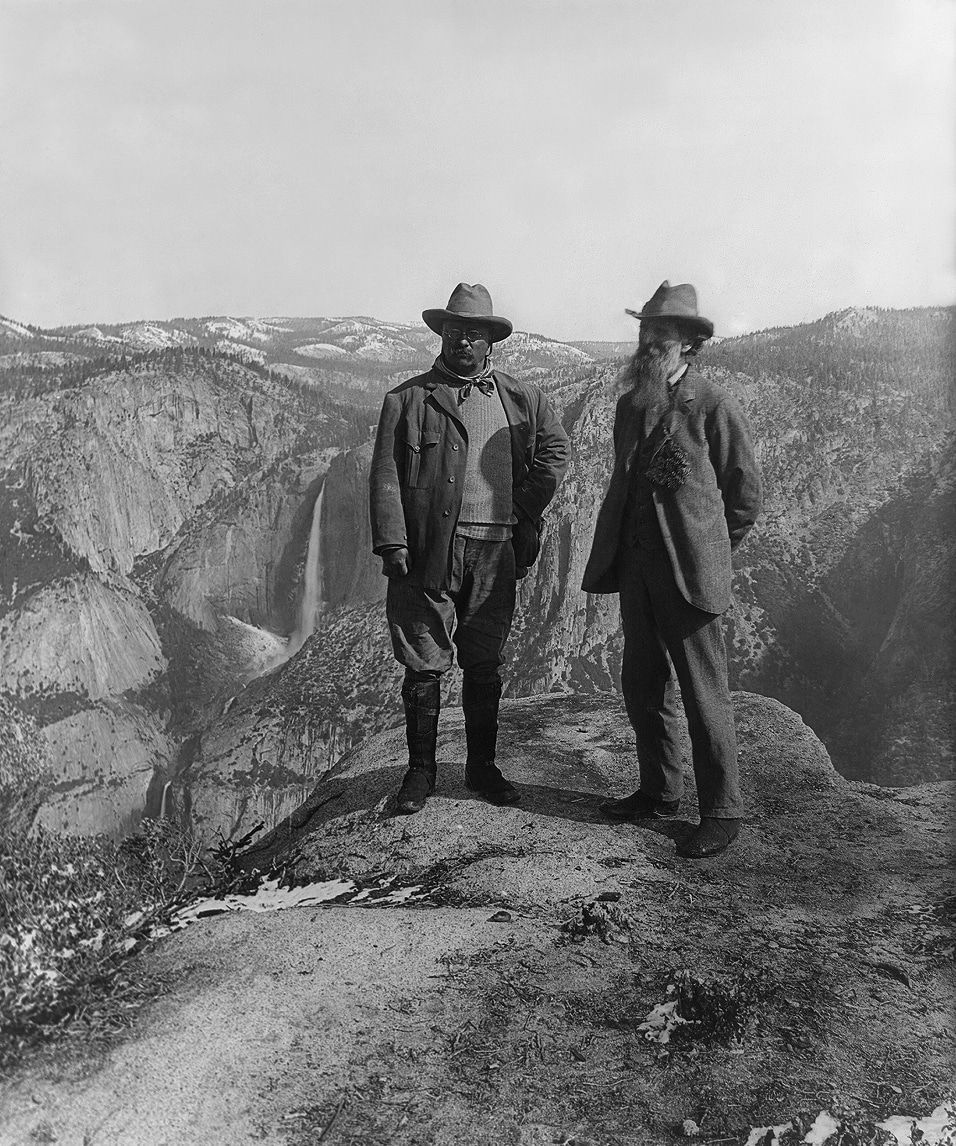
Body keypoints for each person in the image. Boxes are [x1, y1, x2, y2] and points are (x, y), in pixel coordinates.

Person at [370, 282, 569, 814]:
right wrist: (393, 541)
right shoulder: (407, 400)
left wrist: (525, 507)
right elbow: (386, 474)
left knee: (484, 664)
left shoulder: (522, 399)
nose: (463, 343)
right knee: (423, 662)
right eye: (455, 332)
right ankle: (420, 774)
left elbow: (555, 452)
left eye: (474, 335)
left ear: (490, 342)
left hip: (497, 550)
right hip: (429, 551)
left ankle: (482, 768)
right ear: (442, 335)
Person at [582, 281, 762, 858]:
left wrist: (709, 549)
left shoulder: (712, 404)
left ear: (689, 344)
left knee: (703, 690)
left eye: (662, 334)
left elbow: (744, 496)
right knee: (642, 683)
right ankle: (658, 791)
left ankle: (722, 811)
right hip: (636, 570)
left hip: (690, 574)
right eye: (646, 331)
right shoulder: (631, 404)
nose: (650, 341)